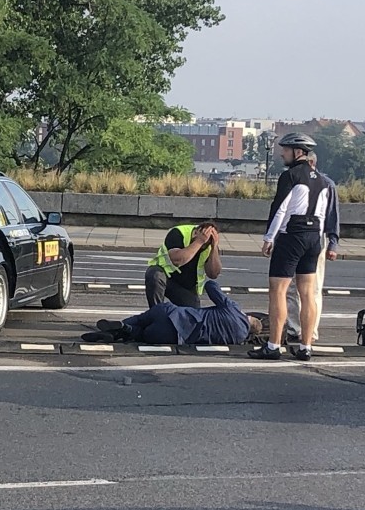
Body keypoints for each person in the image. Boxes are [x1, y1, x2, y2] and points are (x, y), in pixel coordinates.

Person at [249, 132, 330, 361]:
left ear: (298, 152)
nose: (282, 153)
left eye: (285, 149)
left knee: (278, 291)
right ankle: (305, 346)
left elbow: (280, 208)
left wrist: (269, 238)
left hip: (291, 235)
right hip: (314, 236)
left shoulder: (290, 176)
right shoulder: (322, 180)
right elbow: (323, 214)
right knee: (307, 293)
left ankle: (273, 345)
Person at [81, 280, 262, 345]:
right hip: (176, 335)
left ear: (249, 317)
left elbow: (210, 285)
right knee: (143, 335)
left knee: (139, 319)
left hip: (173, 313)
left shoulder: (234, 310)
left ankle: (117, 327)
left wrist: (227, 299)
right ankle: (125, 331)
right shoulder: (238, 338)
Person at [285, 150, 340, 343]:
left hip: (315, 237)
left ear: (311, 163)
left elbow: (332, 216)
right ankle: (294, 328)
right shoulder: (297, 180)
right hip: (298, 235)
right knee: (292, 287)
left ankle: (310, 330)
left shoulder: (326, 184)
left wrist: (333, 242)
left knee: (312, 288)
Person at [145, 222, 222, 309]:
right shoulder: (179, 233)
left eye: (207, 243)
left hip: (186, 287)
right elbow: (177, 260)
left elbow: (213, 274)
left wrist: (214, 247)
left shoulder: (209, 245)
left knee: (193, 317)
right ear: (196, 232)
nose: (204, 246)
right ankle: (156, 313)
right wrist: (199, 241)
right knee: (154, 275)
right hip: (166, 278)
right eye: (205, 241)